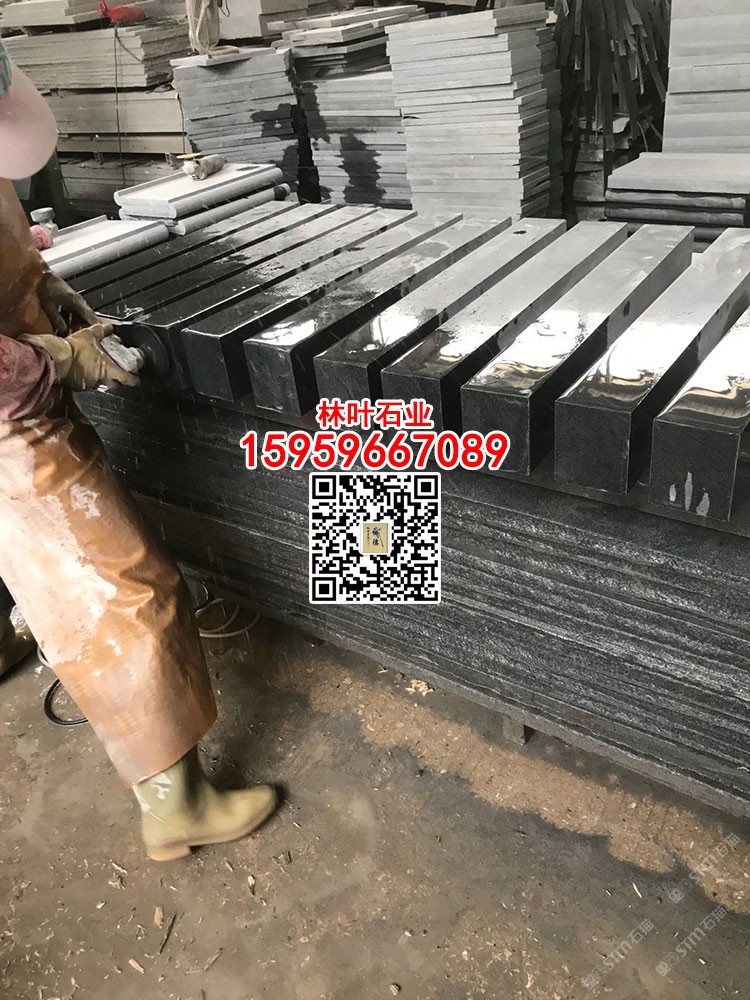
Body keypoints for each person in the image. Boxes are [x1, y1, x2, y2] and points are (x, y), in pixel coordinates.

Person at [0, 42, 277, 861]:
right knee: (126, 593)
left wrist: (40, 284)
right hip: (12, 440)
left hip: (24, 406)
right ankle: (175, 805)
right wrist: (62, 359)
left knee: (68, 584)